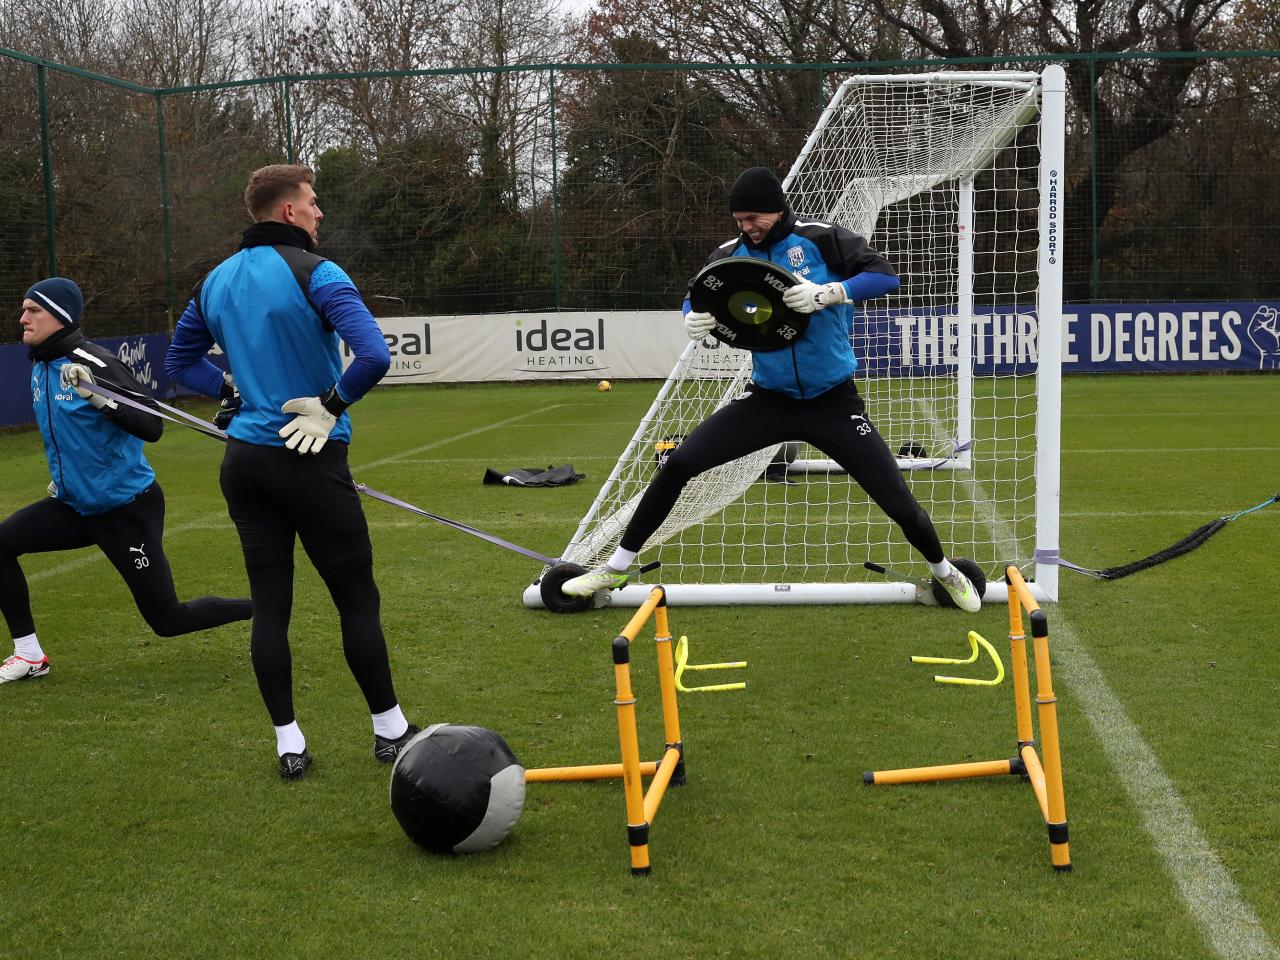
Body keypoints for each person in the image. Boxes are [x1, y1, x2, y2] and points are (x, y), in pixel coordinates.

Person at [563, 166, 982, 612]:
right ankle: (617, 566)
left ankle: (944, 572)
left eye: (753, 218)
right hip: (768, 399)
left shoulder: (821, 238)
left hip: (833, 403)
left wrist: (831, 292)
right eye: (739, 220)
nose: (747, 228)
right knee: (680, 463)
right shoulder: (731, 254)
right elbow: (698, 293)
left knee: (896, 499)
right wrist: (691, 316)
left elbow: (884, 276)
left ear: (778, 209)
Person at [164, 164, 417, 780]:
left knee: (271, 606)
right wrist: (331, 407)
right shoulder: (316, 271)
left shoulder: (214, 281)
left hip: (245, 463)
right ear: (288, 213)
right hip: (310, 459)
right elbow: (375, 356)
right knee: (355, 599)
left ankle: (289, 743)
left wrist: (227, 390)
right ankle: (390, 731)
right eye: (312, 202)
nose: (319, 212)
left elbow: (179, 363)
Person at [0, 278, 253, 685]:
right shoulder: (42, 365)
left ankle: (264, 608)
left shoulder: (95, 362)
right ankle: (29, 655)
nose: (22, 318)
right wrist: (62, 478)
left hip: (126, 509)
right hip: (75, 506)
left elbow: (152, 425)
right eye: (24, 309)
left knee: (168, 620)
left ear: (60, 316)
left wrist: (102, 399)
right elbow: (66, 437)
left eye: (33, 310)